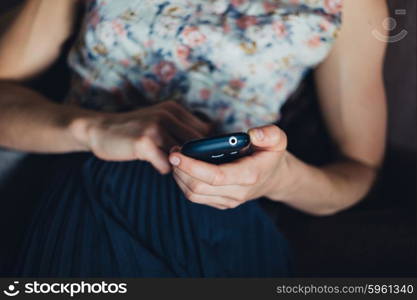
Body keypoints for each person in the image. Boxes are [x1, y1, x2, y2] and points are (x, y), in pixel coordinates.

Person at [0, 0, 387, 277]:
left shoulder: (351, 6)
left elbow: (359, 170)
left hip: (230, 209)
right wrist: (92, 128)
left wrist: (282, 178)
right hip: (84, 170)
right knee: (115, 185)